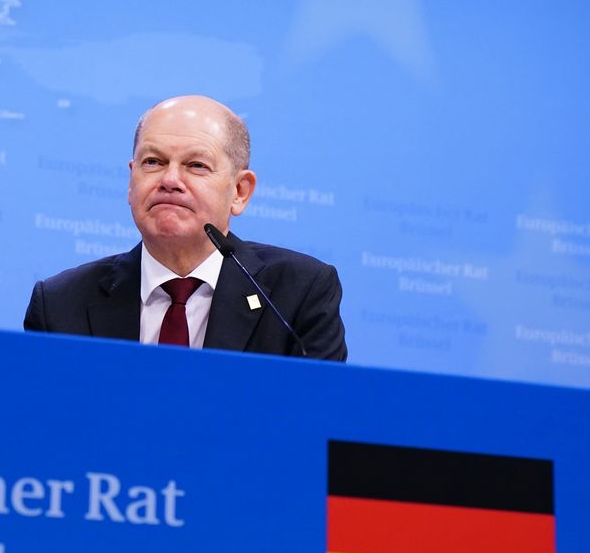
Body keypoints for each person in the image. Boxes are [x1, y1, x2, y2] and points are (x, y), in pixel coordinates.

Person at [23, 95, 347, 360]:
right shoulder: (60, 304)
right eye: (153, 162)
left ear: (240, 191)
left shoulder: (298, 294)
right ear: (131, 182)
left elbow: (319, 421)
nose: (170, 180)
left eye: (196, 165)